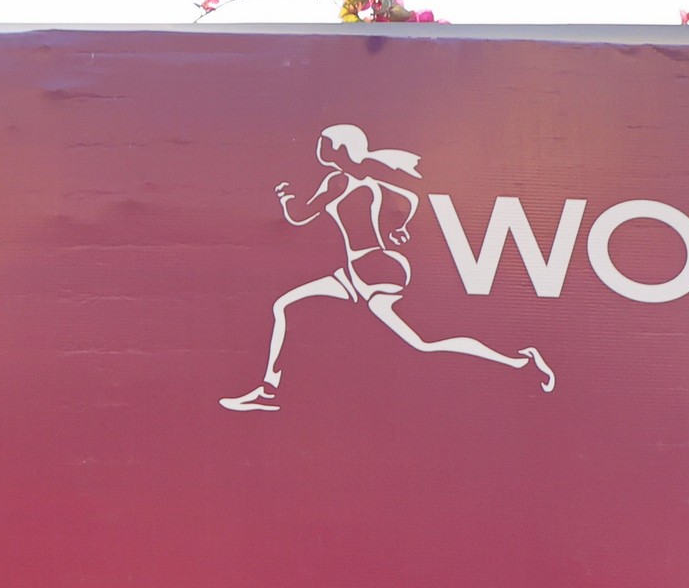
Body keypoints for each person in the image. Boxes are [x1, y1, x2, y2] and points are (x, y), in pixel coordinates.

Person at [221, 122, 554, 411]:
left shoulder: (337, 182)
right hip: (368, 269)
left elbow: (299, 216)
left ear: (339, 149)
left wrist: (285, 198)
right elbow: (411, 199)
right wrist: (398, 226)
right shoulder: (368, 181)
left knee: (421, 342)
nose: (320, 146)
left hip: (371, 270)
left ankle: (521, 361)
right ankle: (268, 390)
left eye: (325, 142)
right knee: (289, 307)